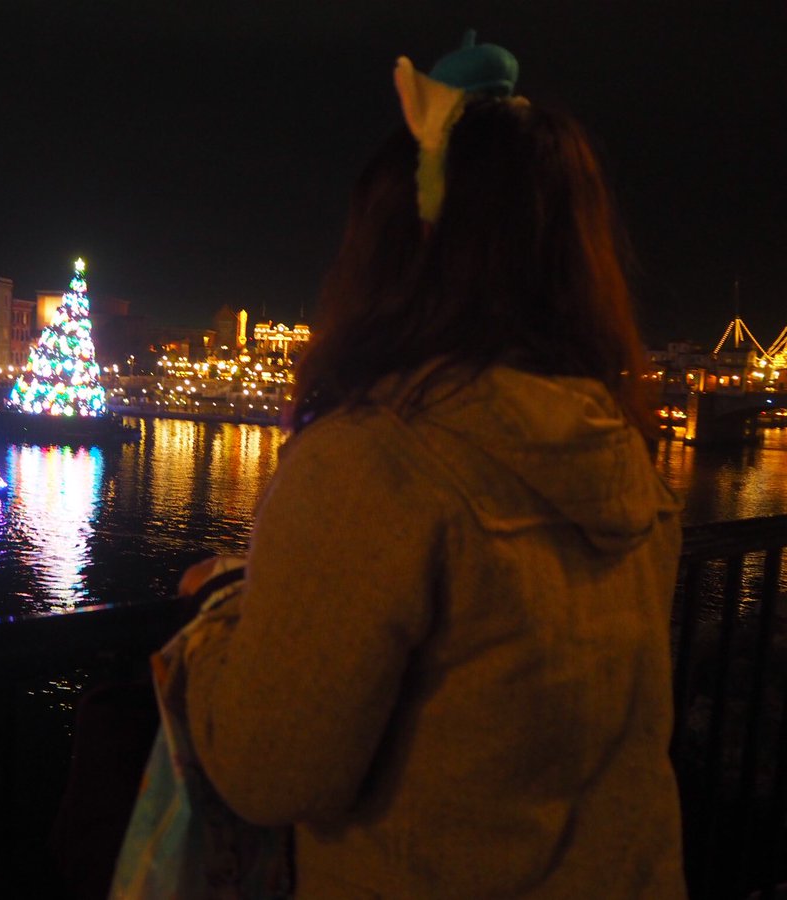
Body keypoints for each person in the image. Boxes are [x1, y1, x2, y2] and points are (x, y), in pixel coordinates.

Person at [174, 32, 687, 899]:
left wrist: (219, 607)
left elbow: (270, 771)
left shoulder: (375, 462)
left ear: (388, 254)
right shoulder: (620, 451)